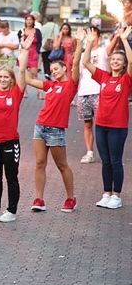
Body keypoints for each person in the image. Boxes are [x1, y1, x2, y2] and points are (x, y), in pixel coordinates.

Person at [26, 27, 83, 213]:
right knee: (40, 163)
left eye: (57, 69)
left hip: (56, 129)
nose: (54, 72)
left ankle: (70, 198)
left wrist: (81, 43)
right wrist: (25, 51)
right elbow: (27, 80)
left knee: (61, 165)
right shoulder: (50, 85)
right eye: (51, 70)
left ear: (64, 68)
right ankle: (39, 199)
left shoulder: (70, 85)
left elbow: (75, 63)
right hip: (40, 126)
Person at [0, 34, 32, 223]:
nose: (1, 80)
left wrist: (24, 50)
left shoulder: (16, 92)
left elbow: (23, 69)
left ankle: (11, 210)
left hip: (10, 141)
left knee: (11, 176)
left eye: (5, 77)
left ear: (11, 80)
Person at [85, 26, 132, 210]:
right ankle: (106, 193)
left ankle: (117, 196)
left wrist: (125, 40)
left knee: (115, 160)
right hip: (101, 125)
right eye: (113, 59)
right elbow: (86, 63)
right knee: (105, 161)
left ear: (123, 63)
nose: (115, 61)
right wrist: (88, 43)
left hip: (118, 127)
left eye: (119, 59)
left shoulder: (126, 79)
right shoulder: (103, 76)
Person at [77, 27, 113, 164]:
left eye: (93, 35)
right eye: (88, 35)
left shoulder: (103, 51)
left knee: (102, 123)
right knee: (87, 123)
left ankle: (107, 152)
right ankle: (89, 152)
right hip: (84, 92)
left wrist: (118, 34)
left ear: (98, 36)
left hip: (99, 92)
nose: (90, 37)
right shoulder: (83, 54)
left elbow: (112, 47)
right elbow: (78, 71)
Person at [18, 14, 43, 98]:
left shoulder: (37, 31)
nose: (29, 21)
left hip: (33, 53)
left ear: (33, 21)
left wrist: (38, 54)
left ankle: (39, 92)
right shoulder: (21, 31)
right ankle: (24, 91)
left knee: (34, 73)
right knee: (23, 72)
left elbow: (39, 43)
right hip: (24, 53)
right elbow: (19, 43)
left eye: (30, 20)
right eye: (27, 20)